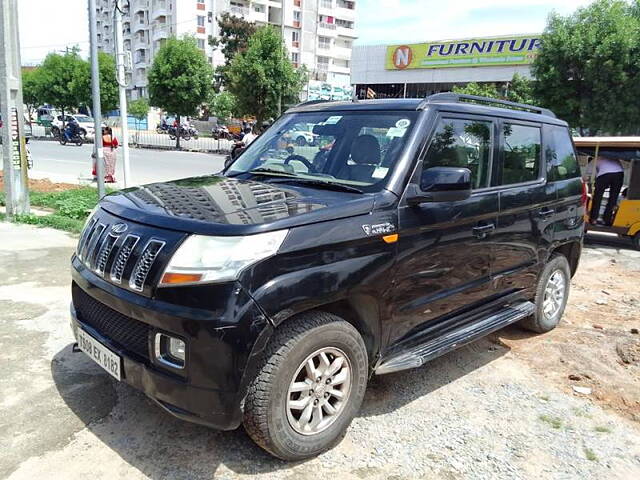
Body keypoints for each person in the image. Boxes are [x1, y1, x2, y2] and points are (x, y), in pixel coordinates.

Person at [589, 152, 625, 225]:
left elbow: (588, 176)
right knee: (613, 198)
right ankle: (607, 220)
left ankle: (594, 219)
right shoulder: (611, 155)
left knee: (597, 197)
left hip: (605, 174)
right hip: (619, 173)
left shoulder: (593, 161)